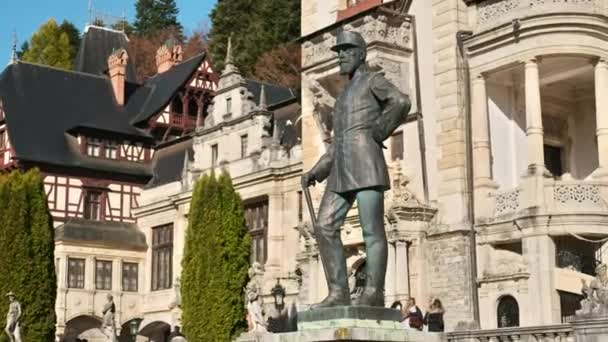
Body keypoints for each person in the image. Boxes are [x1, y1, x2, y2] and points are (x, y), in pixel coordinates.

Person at [301, 30, 411, 308]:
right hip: (340, 169)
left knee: (372, 230)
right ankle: (339, 292)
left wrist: (377, 132)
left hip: (366, 163)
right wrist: (316, 171)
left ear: (361, 53)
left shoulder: (373, 80)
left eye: (347, 50)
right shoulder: (341, 97)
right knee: (324, 226)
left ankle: (373, 291)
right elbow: (337, 143)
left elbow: (401, 102)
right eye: (339, 51)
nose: (340, 56)